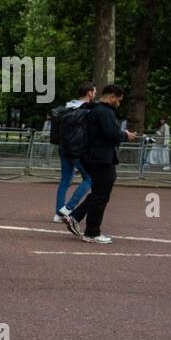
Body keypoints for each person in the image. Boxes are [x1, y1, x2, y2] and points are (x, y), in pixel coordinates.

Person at [62, 84, 138, 243]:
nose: (119, 103)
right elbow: (111, 133)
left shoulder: (94, 109)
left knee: (98, 193)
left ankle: (75, 217)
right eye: (119, 100)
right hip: (102, 158)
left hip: (92, 157)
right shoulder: (105, 111)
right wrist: (125, 135)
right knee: (102, 195)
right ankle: (92, 232)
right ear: (112, 97)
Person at [53, 82, 96, 221]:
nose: (95, 94)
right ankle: (68, 208)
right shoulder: (88, 110)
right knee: (89, 178)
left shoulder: (66, 107)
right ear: (89, 93)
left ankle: (58, 213)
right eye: (94, 92)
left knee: (65, 180)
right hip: (78, 149)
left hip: (63, 147)